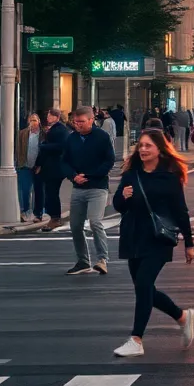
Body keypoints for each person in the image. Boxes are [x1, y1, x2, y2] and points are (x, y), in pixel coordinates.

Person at [110, 128, 194, 357]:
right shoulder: (132, 174)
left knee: (144, 284)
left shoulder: (169, 177)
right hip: (132, 236)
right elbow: (118, 206)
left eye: (148, 146)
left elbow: (181, 212)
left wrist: (189, 243)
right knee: (144, 288)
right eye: (141, 145)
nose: (143, 149)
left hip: (158, 239)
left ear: (159, 149)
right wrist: (123, 197)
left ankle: (136, 339)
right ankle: (182, 316)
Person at [61, 106, 116, 276]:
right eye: (75, 122)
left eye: (82, 122)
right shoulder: (71, 139)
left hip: (97, 187)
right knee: (75, 225)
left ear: (92, 120)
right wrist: (73, 176)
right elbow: (64, 161)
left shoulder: (102, 137)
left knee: (95, 222)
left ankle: (102, 259)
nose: (78, 125)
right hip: (78, 187)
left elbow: (109, 160)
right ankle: (83, 261)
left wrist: (92, 175)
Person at [37, 108, 69, 231]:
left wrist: (44, 146)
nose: (48, 118)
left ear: (56, 117)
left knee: (52, 193)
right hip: (50, 166)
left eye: (50, 116)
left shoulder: (60, 129)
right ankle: (53, 217)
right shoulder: (54, 129)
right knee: (50, 193)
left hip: (55, 167)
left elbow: (62, 146)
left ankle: (55, 218)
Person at [15, 114, 44, 223]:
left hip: (38, 166)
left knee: (39, 190)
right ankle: (25, 211)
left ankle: (39, 212)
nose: (33, 122)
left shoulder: (43, 134)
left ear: (39, 121)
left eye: (35, 120)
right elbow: (18, 149)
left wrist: (41, 165)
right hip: (25, 165)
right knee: (25, 189)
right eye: (31, 120)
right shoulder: (22, 133)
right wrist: (19, 162)